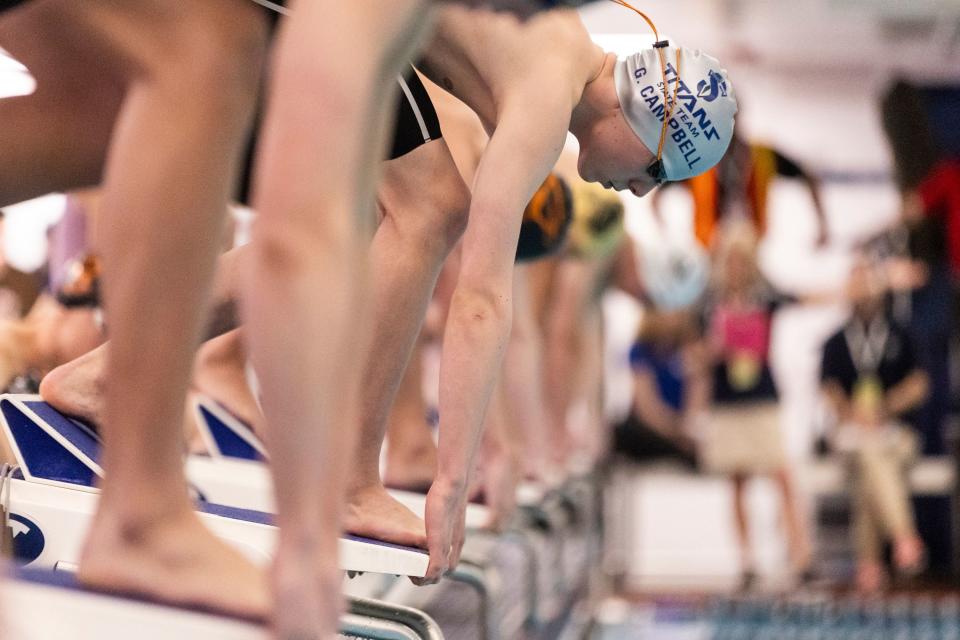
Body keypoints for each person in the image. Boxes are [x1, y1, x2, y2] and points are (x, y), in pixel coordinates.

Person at [821, 257, 929, 592]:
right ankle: (904, 537)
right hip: (855, 436)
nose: (864, 292)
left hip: (896, 434)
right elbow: (830, 392)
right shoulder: (837, 341)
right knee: (868, 453)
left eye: (869, 283)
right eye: (857, 284)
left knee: (871, 461)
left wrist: (884, 409)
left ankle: (869, 562)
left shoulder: (901, 332)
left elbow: (919, 384)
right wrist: (855, 415)